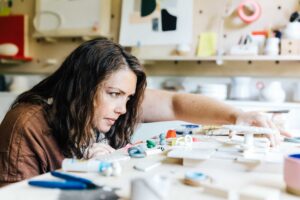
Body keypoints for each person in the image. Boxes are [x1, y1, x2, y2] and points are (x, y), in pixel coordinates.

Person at [0, 38, 288, 186]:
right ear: (80, 87)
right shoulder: (27, 124)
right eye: (114, 94)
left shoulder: (115, 106)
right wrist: (88, 174)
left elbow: (176, 103)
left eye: (127, 97)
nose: (123, 109)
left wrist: (237, 116)